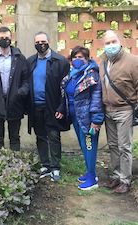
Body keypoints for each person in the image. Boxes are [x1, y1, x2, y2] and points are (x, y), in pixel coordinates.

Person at [58, 46, 104, 190]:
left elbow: (97, 98)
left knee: (89, 146)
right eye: (75, 57)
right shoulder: (72, 74)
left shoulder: (91, 75)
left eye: (81, 57)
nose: (77, 60)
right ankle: (90, 172)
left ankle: (92, 179)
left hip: (88, 119)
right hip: (76, 117)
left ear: (87, 59)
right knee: (84, 146)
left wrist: (96, 120)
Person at [27, 31, 70, 181]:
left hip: (52, 107)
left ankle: (55, 166)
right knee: (40, 136)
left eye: (43, 41)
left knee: (53, 136)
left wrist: (61, 107)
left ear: (49, 41)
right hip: (36, 106)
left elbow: (65, 88)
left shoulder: (60, 61)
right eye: (37, 42)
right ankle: (45, 164)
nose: (41, 44)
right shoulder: (30, 61)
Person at [100, 30, 138, 194]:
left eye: (113, 41)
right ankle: (115, 176)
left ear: (120, 42)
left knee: (124, 147)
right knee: (113, 146)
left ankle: (125, 180)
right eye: (107, 43)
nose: (110, 46)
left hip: (124, 110)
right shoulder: (102, 61)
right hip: (108, 110)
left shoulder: (133, 61)